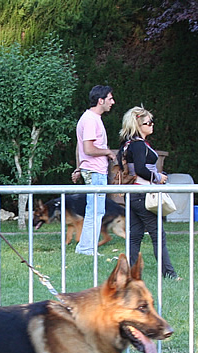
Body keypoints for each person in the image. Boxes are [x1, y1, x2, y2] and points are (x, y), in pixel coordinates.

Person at [117, 106, 180, 280]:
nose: (152, 125)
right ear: (138, 125)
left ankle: (128, 274)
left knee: (135, 235)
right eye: (148, 122)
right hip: (142, 193)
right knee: (158, 234)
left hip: (133, 194)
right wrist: (158, 177)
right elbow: (140, 169)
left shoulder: (127, 145)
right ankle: (169, 274)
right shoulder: (137, 145)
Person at [71, 85, 116, 255]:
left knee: (95, 210)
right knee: (95, 211)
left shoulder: (90, 118)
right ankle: (86, 248)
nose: (113, 102)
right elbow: (88, 149)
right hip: (95, 171)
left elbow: (79, 147)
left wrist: (78, 167)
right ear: (100, 100)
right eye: (110, 98)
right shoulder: (90, 119)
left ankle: (85, 247)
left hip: (92, 170)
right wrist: (107, 152)